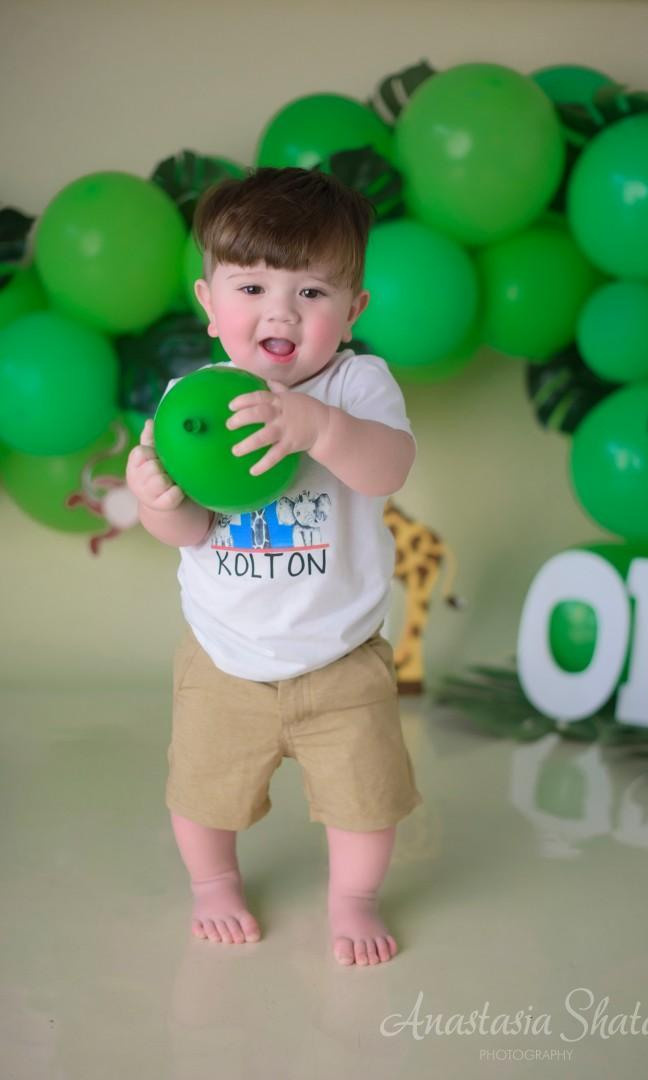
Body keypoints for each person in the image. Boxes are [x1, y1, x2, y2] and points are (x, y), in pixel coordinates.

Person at [125, 167, 422, 967]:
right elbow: (190, 531)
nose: (281, 311)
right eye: (251, 286)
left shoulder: (358, 385)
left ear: (353, 310)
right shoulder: (196, 398)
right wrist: (155, 498)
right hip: (226, 657)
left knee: (368, 802)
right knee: (202, 792)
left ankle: (354, 899)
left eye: (313, 293)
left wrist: (318, 426)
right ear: (209, 303)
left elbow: (386, 468)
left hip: (342, 658)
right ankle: (214, 884)